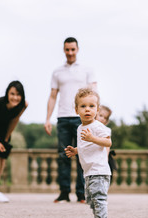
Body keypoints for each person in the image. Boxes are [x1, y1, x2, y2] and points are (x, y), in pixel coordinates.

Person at [44, 37, 97, 203]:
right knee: (63, 156)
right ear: (64, 50)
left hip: (82, 118)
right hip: (63, 118)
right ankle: (64, 193)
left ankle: (81, 194)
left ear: (77, 49)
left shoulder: (87, 70)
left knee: (83, 155)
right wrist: (47, 119)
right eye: (67, 50)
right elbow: (53, 96)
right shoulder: (57, 72)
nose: (70, 53)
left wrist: (95, 116)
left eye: (73, 49)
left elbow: (94, 94)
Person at [65, 88, 112, 218]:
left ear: (97, 109)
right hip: (89, 172)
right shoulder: (80, 128)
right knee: (91, 200)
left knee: (99, 198)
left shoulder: (97, 126)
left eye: (92, 106)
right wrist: (76, 151)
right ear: (76, 109)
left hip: (99, 171)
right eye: (83, 106)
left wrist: (93, 138)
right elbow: (87, 146)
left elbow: (108, 142)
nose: (87, 110)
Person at [95, 105, 117, 180]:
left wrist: (106, 157)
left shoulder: (107, 130)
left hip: (102, 155)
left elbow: (107, 145)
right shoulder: (90, 127)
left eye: (105, 118)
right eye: (100, 116)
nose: (102, 119)